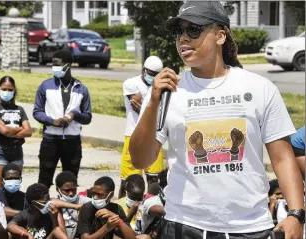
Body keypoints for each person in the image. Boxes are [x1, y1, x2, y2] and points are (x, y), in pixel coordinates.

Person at [129, 1, 304, 238]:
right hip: (183, 224)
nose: (183, 38)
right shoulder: (167, 93)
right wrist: (152, 103)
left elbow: (282, 158)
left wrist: (296, 213)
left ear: (220, 36)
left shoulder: (260, 88)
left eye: (193, 30)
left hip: (250, 227)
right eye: (178, 31)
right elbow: (140, 159)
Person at [33, 49, 92, 189]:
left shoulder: (81, 89)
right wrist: (52, 121)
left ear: (68, 65)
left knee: (70, 183)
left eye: (57, 64)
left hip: (72, 142)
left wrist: (74, 115)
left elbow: (87, 117)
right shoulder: (45, 86)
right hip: (50, 141)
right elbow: (37, 112)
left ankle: (68, 209)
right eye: (53, 64)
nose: (54, 68)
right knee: (44, 180)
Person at [119, 56, 165, 199]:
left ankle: (152, 211)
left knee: (154, 178)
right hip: (133, 134)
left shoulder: (162, 86)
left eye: (156, 74)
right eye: (150, 73)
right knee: (128, 179)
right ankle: (121, 211)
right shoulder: (131, 83)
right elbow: (139, 107)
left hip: (155, 137)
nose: (153, 77)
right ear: (144, 70)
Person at [0, 76, 32, 190]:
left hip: (17, 151)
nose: (7, 92)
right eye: (4, 89)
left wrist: (9, 130)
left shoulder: (19, 109)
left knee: (13, 188)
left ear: (14, 90)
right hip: (0, 151)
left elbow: (29, 131)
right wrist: (20, 128)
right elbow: (4, 131)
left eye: (10, 90)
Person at [55, 171, 91, 238]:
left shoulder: (82, 200)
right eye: (67, 190)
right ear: (57, 190)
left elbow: (96, 203)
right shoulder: (55, 201)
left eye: (73, 189)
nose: (71, 193)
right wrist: (75, 206)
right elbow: (52, 202)